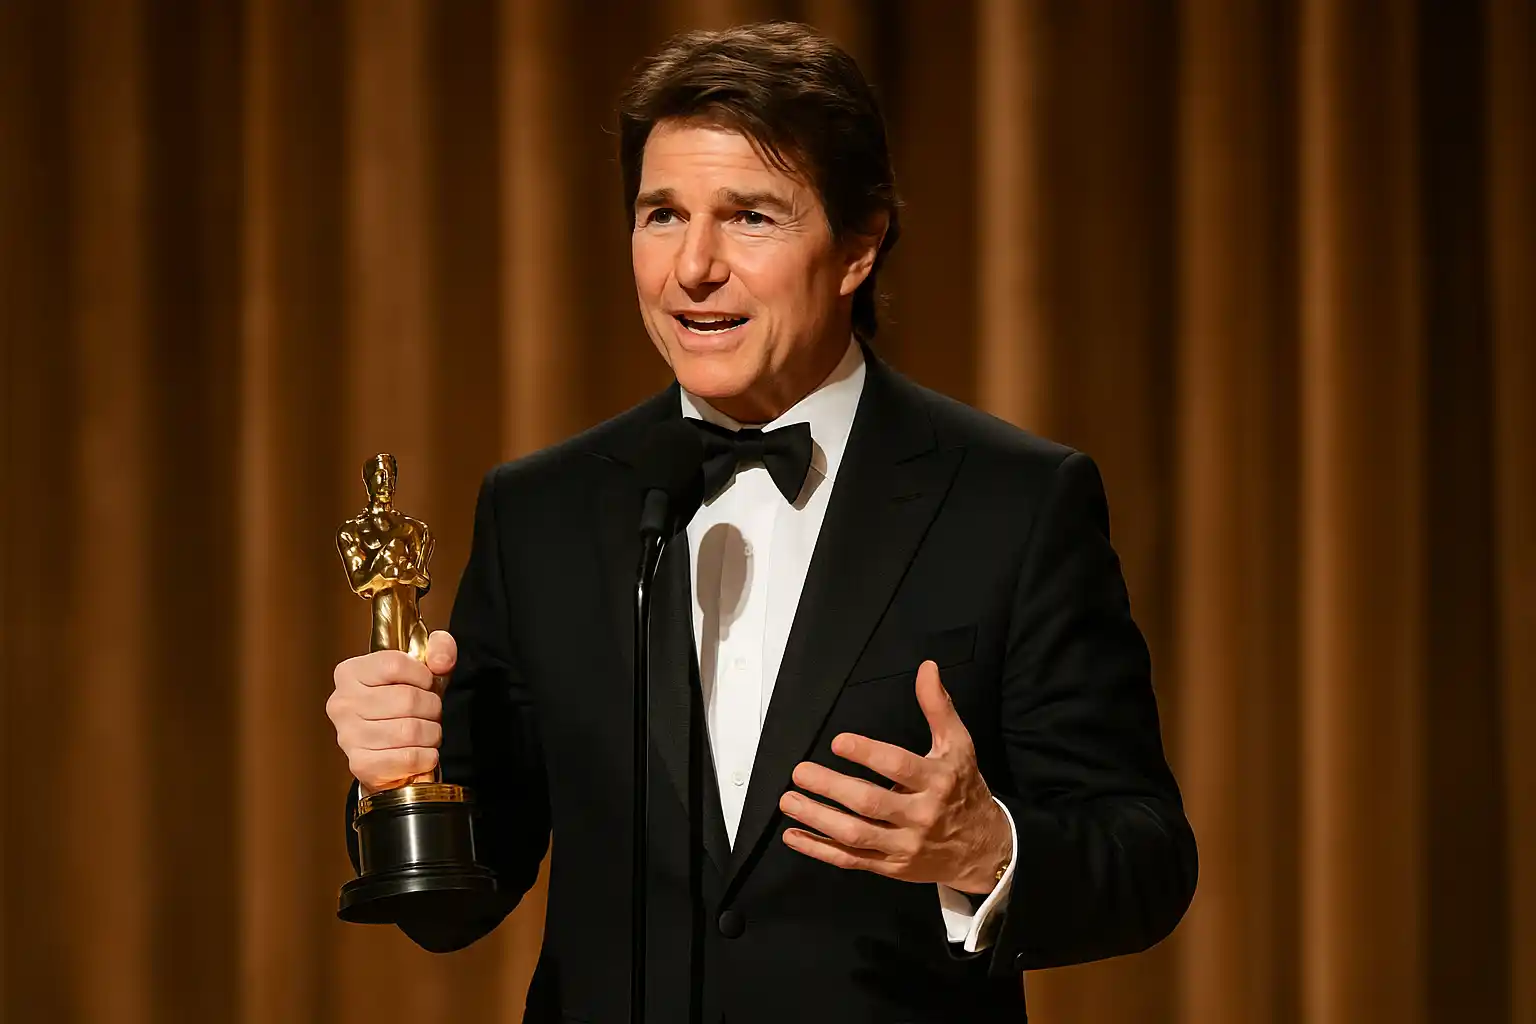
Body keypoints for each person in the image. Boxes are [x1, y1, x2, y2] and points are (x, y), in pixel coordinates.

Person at [326, 21, 1196, 1023]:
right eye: (662, 215)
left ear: (859, 245)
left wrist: (983, 846)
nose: (693, 268)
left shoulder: (1012, 502)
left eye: (750, 218)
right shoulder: (541, 512)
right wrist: (397, 780)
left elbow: (1145, 858)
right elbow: (455, 906)